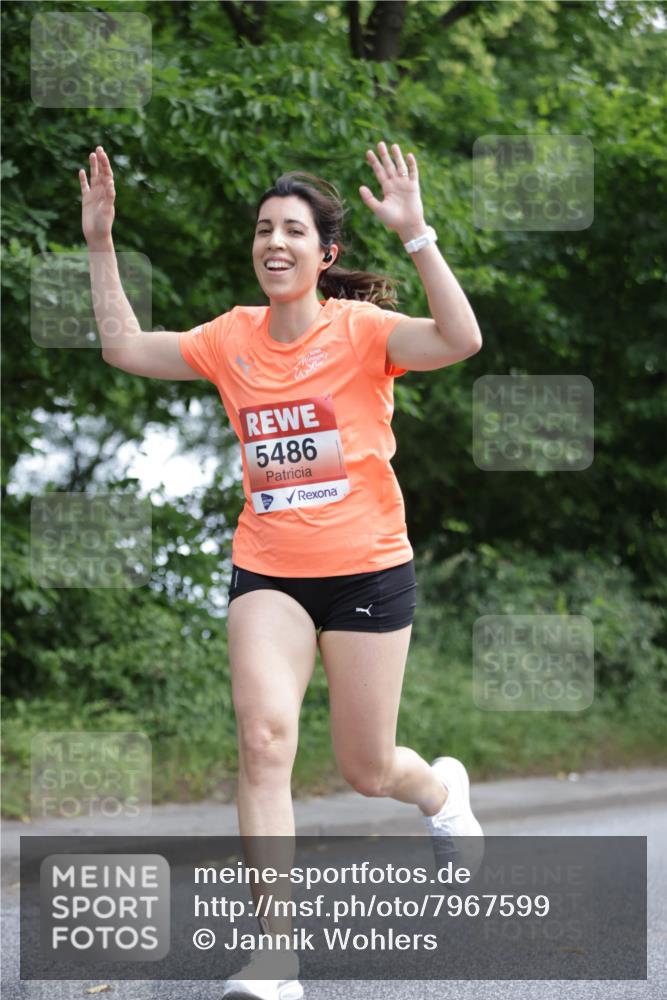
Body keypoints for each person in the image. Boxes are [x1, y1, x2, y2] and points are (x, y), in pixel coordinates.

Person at [79, 140, 485, 1000]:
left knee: (368, 770)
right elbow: (123, 348)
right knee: (263, 742)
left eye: (294, 230)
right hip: (268, 571)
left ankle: (440, 790)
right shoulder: (230, 339)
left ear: (324, 254)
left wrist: (418, 235)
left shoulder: (364, 333)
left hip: (369, 572)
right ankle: (277, 955)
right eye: (264, 229)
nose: (275, 241)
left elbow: (460, 337)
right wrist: (101, 241)